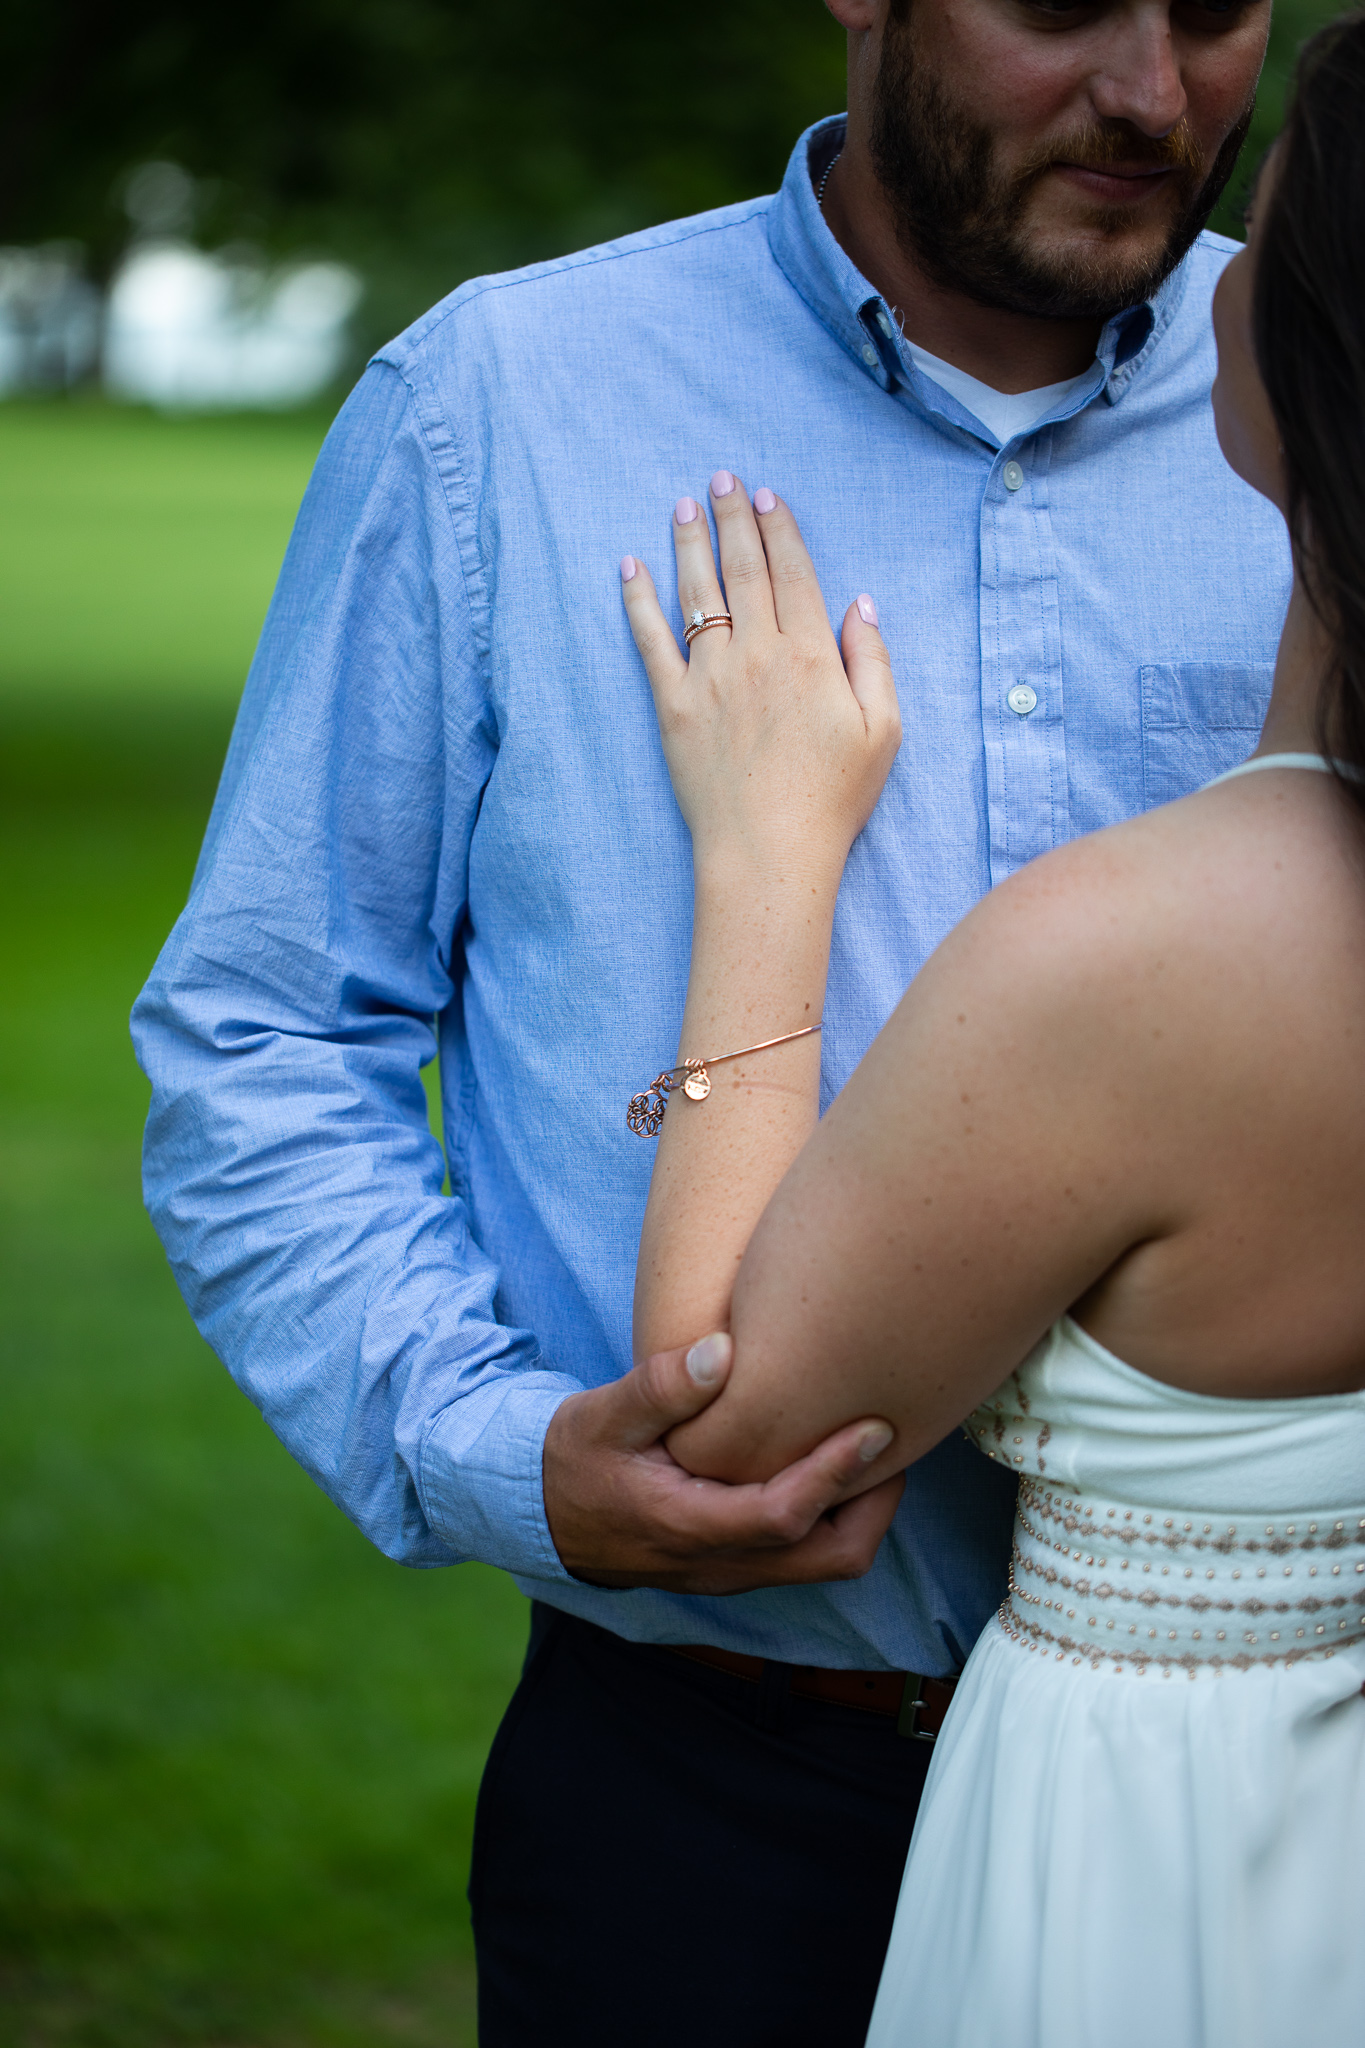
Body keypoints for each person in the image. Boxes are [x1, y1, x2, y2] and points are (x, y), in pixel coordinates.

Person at [131, 0, 1286, 2040]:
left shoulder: (1320, 392)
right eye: (1055, 4)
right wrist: (495, 1446)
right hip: (695, 1804)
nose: (1147, 92)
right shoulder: (497, 400)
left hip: (1260, 1800)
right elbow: (269, 1042)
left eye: (1209, 10)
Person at [620, 15, 1365, 2042]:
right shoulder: (501, 386)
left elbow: (725, 1420)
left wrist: (768, 863)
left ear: (1298, 373)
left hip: (1154, 1860)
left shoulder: (1139, 959)